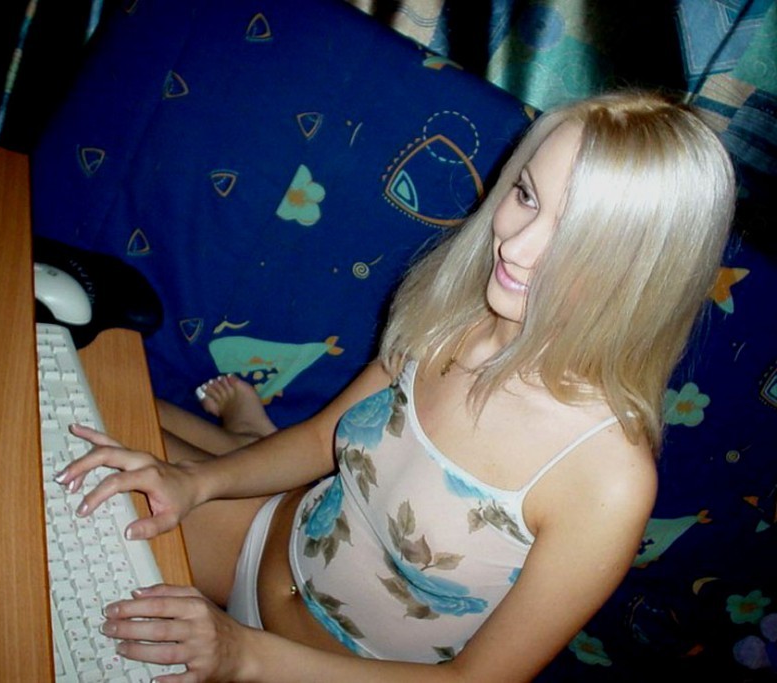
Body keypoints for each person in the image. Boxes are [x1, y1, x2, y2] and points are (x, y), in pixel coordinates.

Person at [57, 90, 736, 682]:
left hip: (320, 670)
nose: (516, 246)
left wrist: (243, 655)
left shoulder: (606, 481)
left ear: (641, 275)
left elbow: (478, 680)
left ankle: (242, 435)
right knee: (78, 427)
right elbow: (325, 438)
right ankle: (242, 440)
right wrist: (194, 485)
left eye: (576, 237)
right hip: (265, 540)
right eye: (527, 195)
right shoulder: (454, 314)